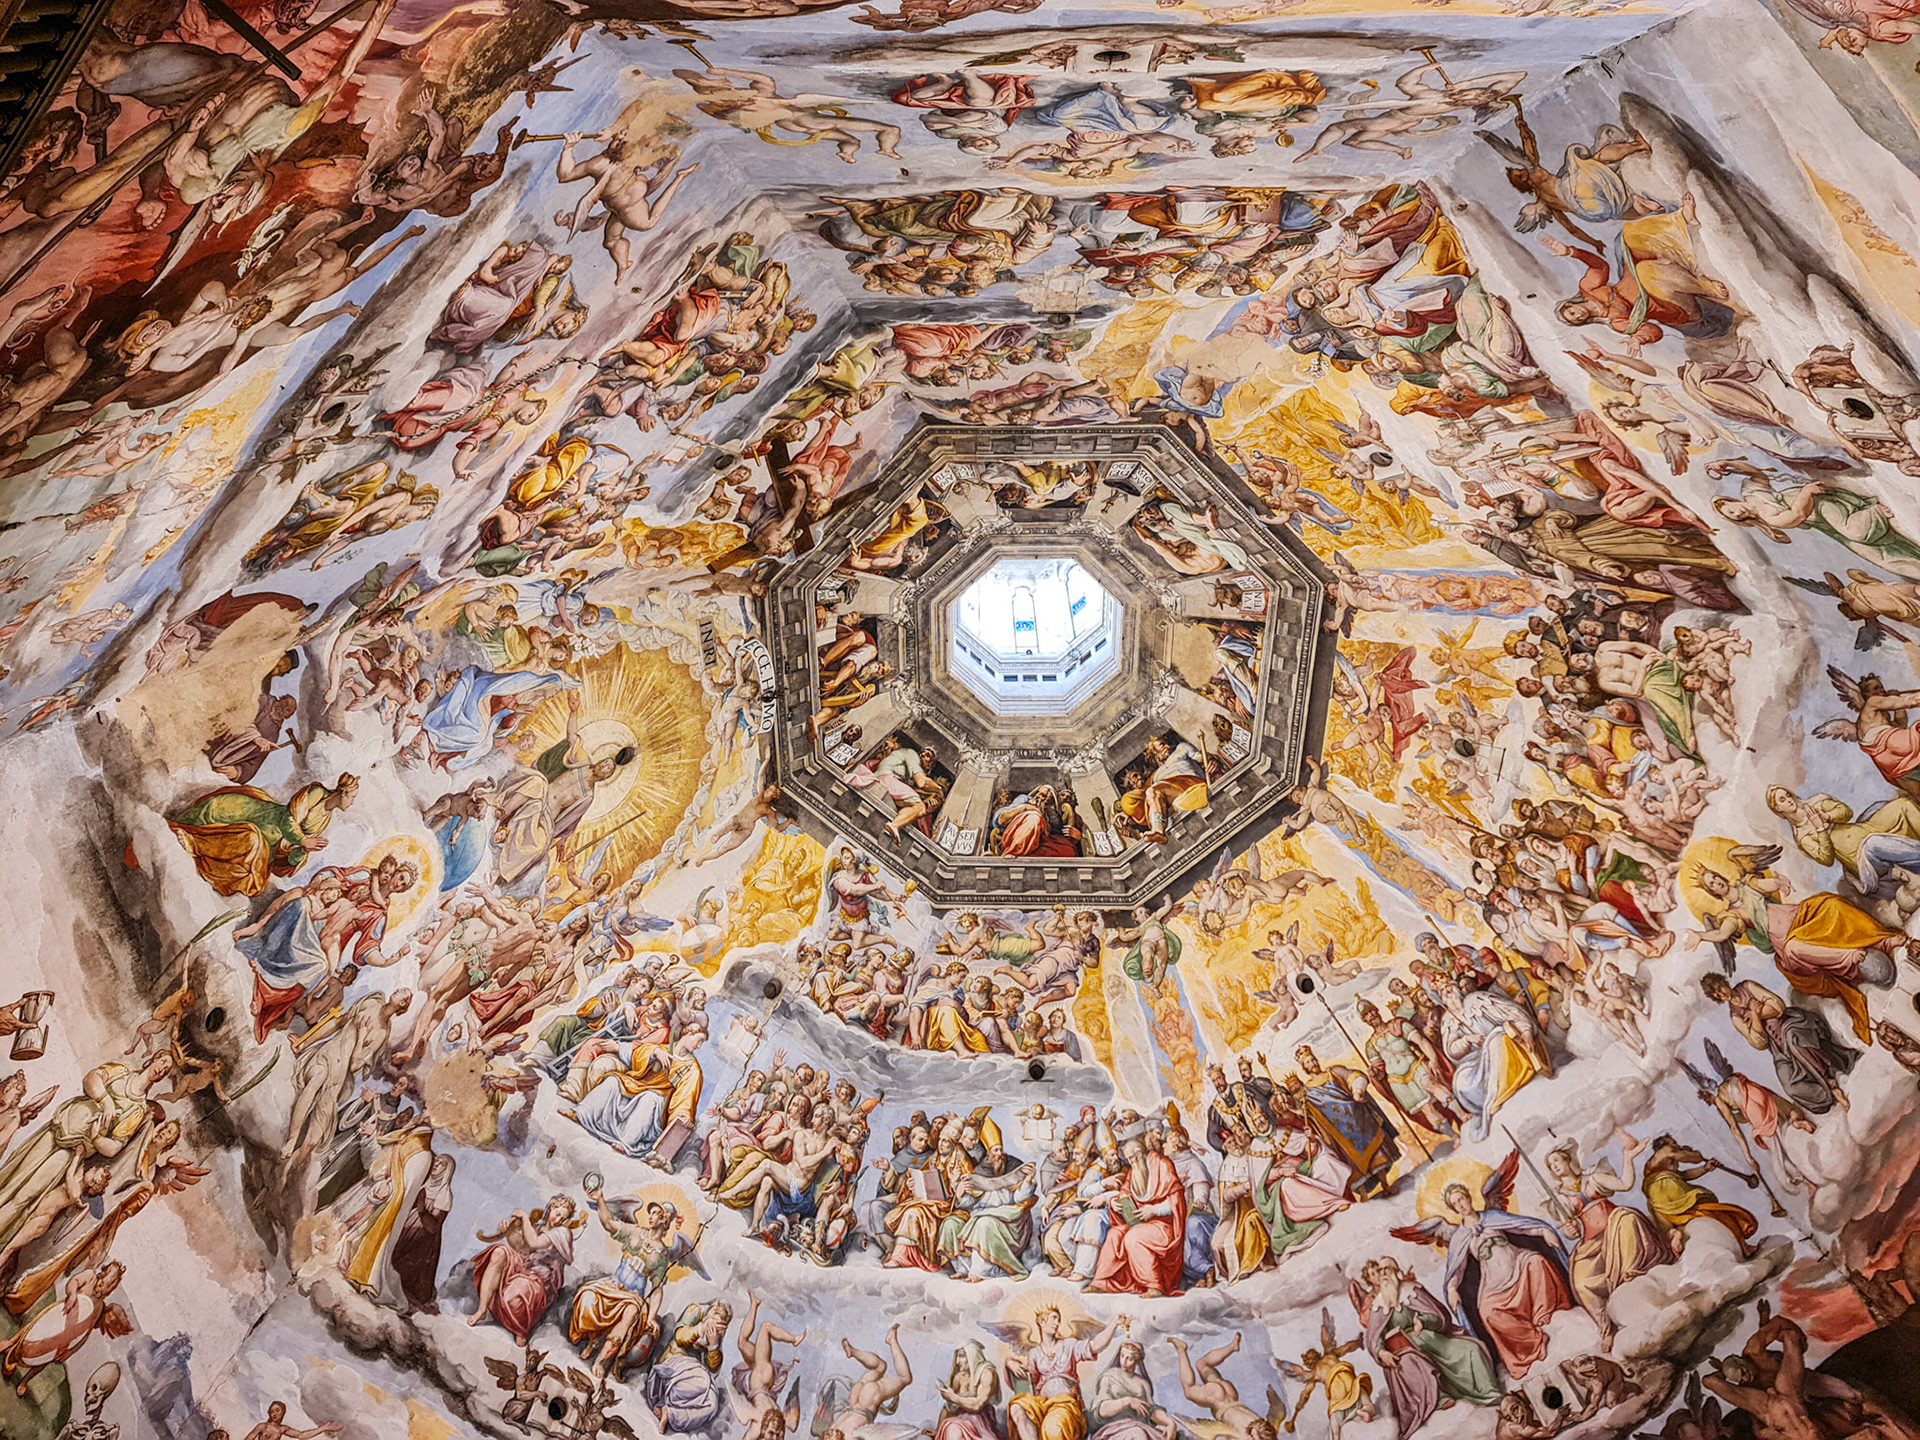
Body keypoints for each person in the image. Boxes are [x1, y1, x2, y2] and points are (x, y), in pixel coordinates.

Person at [1391, 1164, 1573, 1382]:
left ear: (1469, 1197)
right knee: (1487, 1311)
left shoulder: (1492, 1216)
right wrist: (1451, 1288)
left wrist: (1544, 1231)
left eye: (1462, 1199)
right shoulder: (1458, 1237)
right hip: (1493, 1281)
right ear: (1453, 1209)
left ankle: (1544, 1315)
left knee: (1537, 1262)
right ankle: (1530, 1341)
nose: (1461, 1205)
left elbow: (1522, 1227)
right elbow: (1456, 1270)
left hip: (1517, 1261)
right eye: (1456, 1203)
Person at [1348, 1258, 1500, 1439]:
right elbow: (1374, 1338)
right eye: (1380, 1272)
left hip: (1432, 1340)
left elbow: (1439, 1316)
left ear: (1396, 1271)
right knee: (1411, 1363)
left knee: (1471, 1349)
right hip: (1403, 1350)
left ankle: (1490, 1394)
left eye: (1386, 1269)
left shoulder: (1413, 1290)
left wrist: (1423, 1321)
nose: (1383, 1275)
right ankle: (1439, 1399)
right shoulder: (1378, 1306)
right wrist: (1382, 1353)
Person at [1545, 1136, 1671, 1347]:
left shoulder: (1593, 1177)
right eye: (1550, 1165)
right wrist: (1569, 1230)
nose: (1554, 1166)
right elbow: (1573, 1232)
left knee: (1626, 1217)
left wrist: (1627, 1158)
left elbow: (1625, 1184)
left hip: (1616, 1227)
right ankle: (1607, 1328)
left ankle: (1634, 1280)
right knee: (1581, 1282)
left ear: (1567, 1159)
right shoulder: (1559, 1198)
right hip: (1592, 1242)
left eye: (1556, 1160)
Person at [466, 1195, 582, 1346]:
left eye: (563, 1218)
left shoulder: (563, 1233)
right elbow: (521, 1247)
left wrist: (525, 1218)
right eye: (558, 1213)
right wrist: (508, 1231)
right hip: (525, 1268)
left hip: (541, 1281)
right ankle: (482, 1310)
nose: (559, 1220)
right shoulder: (537, 1228)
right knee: (499, 1251)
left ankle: (521, 1329)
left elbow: (535, 1242)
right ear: (551, 1207)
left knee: (520, 1286)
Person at [1005, 1307, 1131, 1440]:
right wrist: (1009, 1362)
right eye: (1054, 1318)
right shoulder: (1034, 1353)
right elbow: (1028, 1380)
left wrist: (1114, 1323)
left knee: (1053, 1428)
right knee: (1017, 1408)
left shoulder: (1069, 1345)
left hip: (1065, 1403)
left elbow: (1095, 1346)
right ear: (1042, 1322)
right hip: (1042, 1403)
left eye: (1059, 1319)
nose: (1057, 1323)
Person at [1090, 1132, 1187, 1297]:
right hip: (1141, 1223)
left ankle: (1154, 1285)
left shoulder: (1163, 1165)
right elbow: (1125, 1193)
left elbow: (1176, 1201)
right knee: (1114, 1234)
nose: (1130, 1162)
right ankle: (1101, 1281)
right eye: (1128, 1159)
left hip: (1164, 1226)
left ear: (1140, 1154)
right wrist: (1114, 1202)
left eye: (1132, 1158)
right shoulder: (1134, 1171)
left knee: (1133, 1237)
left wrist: (1154, 1210)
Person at [647, 1301, 734, 1434]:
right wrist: (701, 1328)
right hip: (675, 1361)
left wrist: (713, 1345)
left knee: (712, 1403)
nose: (718, 1309)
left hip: (696, 1373)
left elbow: (713, 1368)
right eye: (716, 1308)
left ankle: (670, 1412)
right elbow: (679, 1337)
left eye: (722, 1312)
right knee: (694, 1383)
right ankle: (665, 1400)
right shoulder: (696, 1311)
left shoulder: (717, 1330)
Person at [1088, 1342, 1175, 1440]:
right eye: (1122, 1356)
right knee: (1137, 1434)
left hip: (1139, 1426)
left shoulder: (1143, 1383)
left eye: (1129, 1359)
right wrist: (1128, 1401)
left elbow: (1151, 1411)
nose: (1124, 1361)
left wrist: (1169, 1422)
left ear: (1137, 1361)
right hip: (1112, 1430)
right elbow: (1101, 1410)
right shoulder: (1109, 1377)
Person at [935, 1341, 1004, 1440]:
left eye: (962, 1356)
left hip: (981, 1423)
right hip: (960, 1420)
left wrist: (953, 1397)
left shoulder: (986, 1374)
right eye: (957, 1357)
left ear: (973, 1355)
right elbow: (949, 1407)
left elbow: (977, 1405)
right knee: (952, 1428)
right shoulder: (959, 1377)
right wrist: (938, 1430)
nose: (957, 1361)